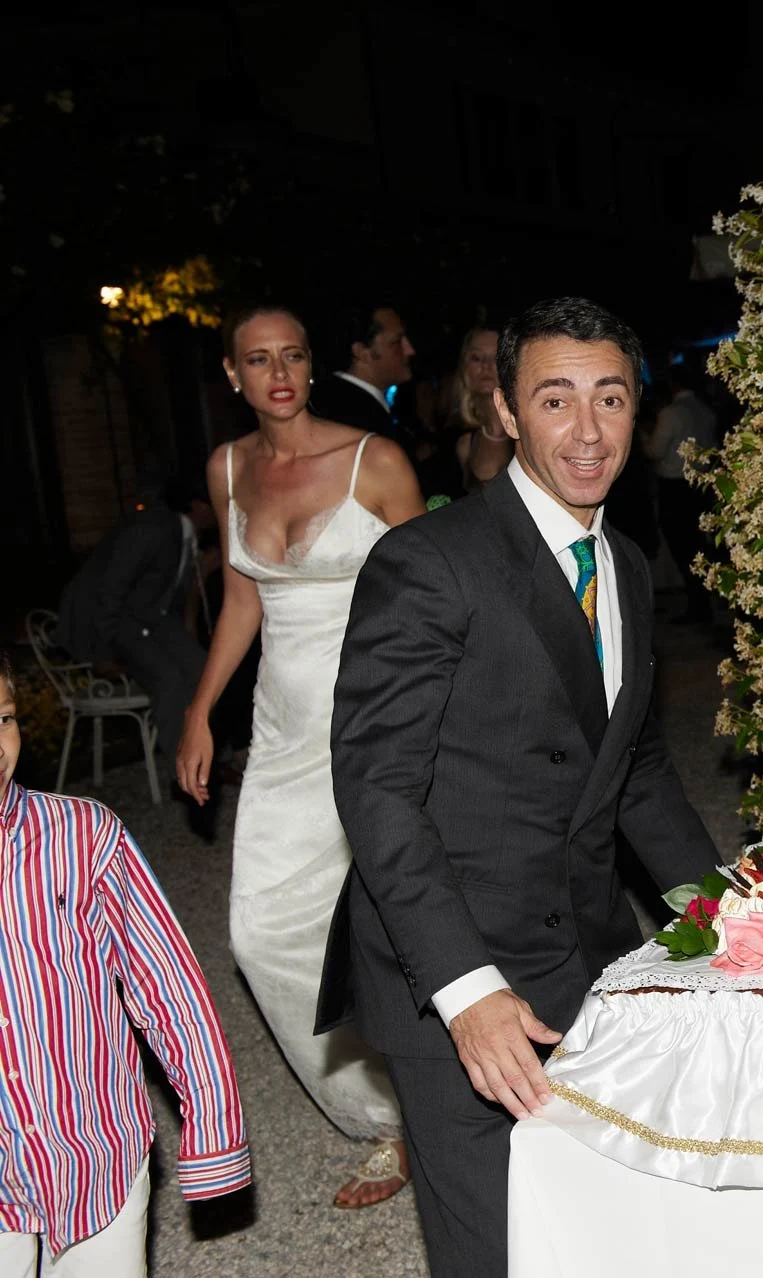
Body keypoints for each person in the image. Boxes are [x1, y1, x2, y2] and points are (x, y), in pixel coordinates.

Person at [323, 297, 721, 1276]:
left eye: (610, 399)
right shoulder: (429, 562)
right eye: (555, 399)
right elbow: (376, 787)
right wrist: (466, 994)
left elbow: (631, 764)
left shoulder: (624, 566)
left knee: (601, 1217)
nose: (586, 431)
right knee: (491, 1249)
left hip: (581, 948)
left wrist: (717, 907)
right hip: (448, 958)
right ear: (505, 411)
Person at [174, 303, 427, 1209]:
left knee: (385, 922)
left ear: (311, 367)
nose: (277, 372)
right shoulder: (229, 466)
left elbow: (431, 595)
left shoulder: (376, 461)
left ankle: (430, 1111)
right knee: (258, 933)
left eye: (291, 355)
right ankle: (381, 1110)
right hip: (283, 732)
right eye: (257, 359)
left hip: (374, 719)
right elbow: (243, 601)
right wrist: (202, 712)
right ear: (234, 377)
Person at [0, 651, 252, 1275]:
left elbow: (169, 987)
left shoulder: (82, 838)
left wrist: (212, 1133)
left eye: (2, 718)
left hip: (96, 1156)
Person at [53, 476, 216, 809]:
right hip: (109, 624)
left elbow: (174, 598)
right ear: (199, 506)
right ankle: (183, 769)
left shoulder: (185, 535)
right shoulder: (154, 528)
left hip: (147, 620)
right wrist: (103, 651)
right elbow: (110, 590)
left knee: (205, 668)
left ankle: (217, 756)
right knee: (169, 681)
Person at [643, 360, 721, 623]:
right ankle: (704, 601)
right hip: (700, 485)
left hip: (675, 487)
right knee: (699, 545)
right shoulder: (705, 410)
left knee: (683, 547)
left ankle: (698, 605)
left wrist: (642, 436)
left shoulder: (671, 413)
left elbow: (655, 451)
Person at [307, 303, 417, 448]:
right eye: (396, 342)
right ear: (361, 352)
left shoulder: (330, 401)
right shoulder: (357, 420)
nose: (410, 350)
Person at [442, 326, 514, 490]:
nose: (486, 366)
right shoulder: (459, 441)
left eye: (495, 357)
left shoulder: (528, 431)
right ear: (465, 368)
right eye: (476, 358)